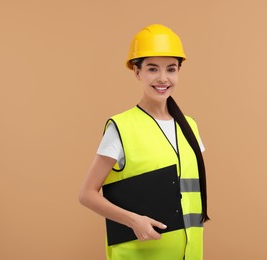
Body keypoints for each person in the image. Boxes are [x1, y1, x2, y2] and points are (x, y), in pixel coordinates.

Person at [79, 24, 209, 260]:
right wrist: (134, 221)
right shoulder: (121, 127)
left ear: (179, 71)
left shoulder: (190, 127)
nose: (162, 78)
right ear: (137, 72)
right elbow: (87, 194)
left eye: (171, 69)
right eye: (152, 69)